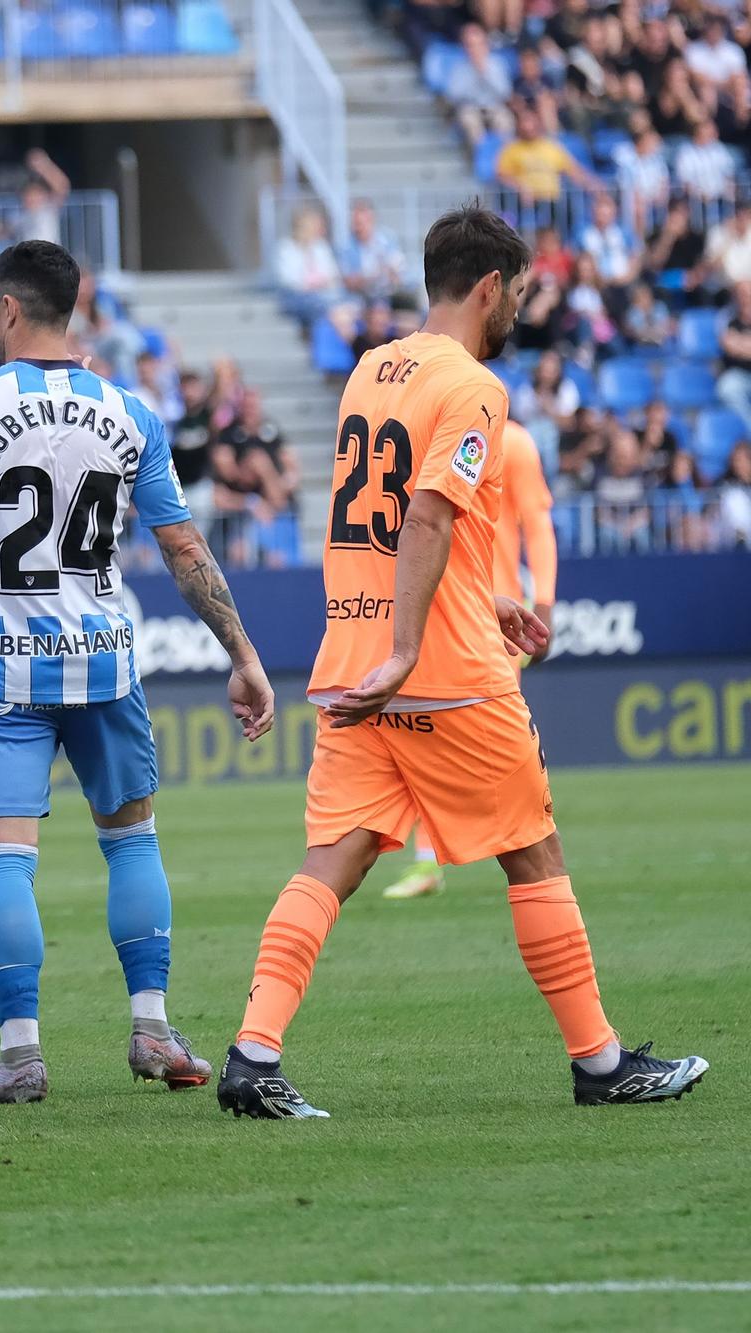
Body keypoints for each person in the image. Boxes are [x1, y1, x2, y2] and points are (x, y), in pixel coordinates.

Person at [217, 205, 710, 1119]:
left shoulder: (370, 370)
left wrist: (481, 597)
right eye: (518, 290)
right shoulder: (477, 387)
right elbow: (429, 516)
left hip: (352, 664)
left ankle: (252, 1056)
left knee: (331, 858)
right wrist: (413, 647)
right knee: (535, 853)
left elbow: (379, 524)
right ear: (490, 287)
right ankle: (599, 1062)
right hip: (438, 671)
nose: (519, 305)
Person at [0, 240, 275, 1104]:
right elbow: (185, 549)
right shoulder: (131, 412)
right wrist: (245, 656)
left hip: (5, 670)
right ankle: (152, 1028)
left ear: (4, 309)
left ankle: (21, 1054)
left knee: (4, 861)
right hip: (105, 663)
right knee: (132, 839)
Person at [380, 417, 556, 902]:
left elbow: (537, 524)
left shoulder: (514, 441)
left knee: (488, 746)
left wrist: (544, 601)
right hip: (437, 606)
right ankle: (436, 861)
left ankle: (535, 858)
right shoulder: (431, 434)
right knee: (417, 728)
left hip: (496, 616)